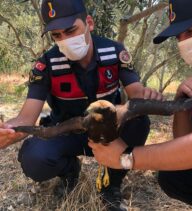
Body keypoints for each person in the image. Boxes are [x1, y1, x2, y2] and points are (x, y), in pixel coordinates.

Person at [0, 0, 162, 210]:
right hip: (65, 132)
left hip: (108, 131)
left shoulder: (114, 52)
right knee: (34, 159)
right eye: (57, 35)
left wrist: (147, 96)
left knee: (139, 123)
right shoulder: (46, 65)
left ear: (89, 23)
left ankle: (110, 183)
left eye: (70, 30)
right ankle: (69, 171)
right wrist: (6, 132)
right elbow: (25, 119)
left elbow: (136, 94)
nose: (65, 40)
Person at [89, 0, 192, 210]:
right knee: (175, 174)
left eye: (191, 30)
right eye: (178, 36)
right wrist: (181, 103)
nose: (184, 42)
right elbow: (187, 146)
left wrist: (127, 157)